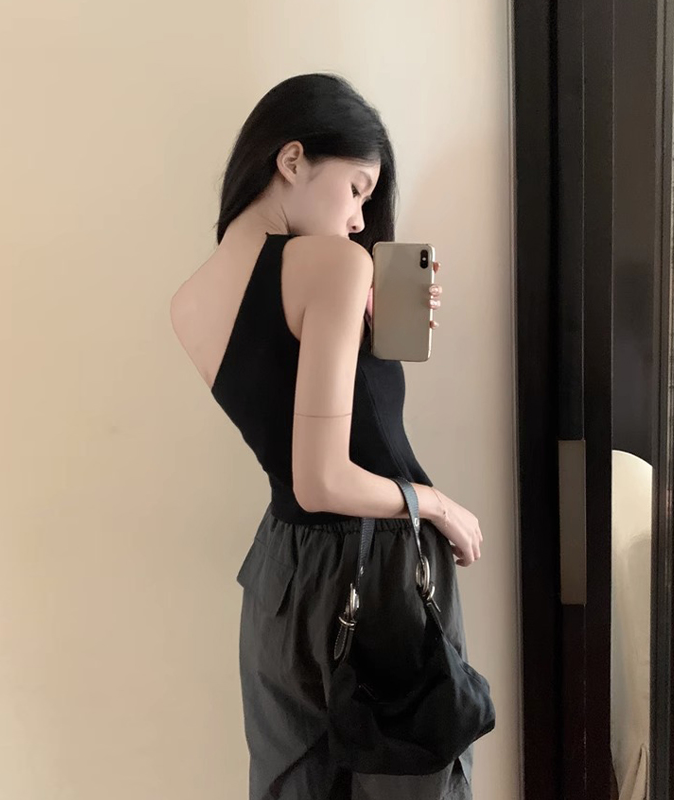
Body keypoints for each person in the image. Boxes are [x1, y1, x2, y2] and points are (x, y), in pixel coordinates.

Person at [170, 72, 484, 800]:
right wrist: (437, 505)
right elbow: (325, 478)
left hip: (281, 578)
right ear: (292, 160)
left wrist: (359, 335)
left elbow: (287, 428)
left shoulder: (190, 300)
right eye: (356, 189)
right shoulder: (335, 266)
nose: (358, 217)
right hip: (379, 570)